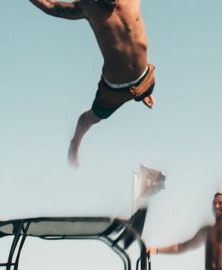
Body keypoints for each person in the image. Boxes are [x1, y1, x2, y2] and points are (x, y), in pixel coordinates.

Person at [28, 0, 155, 167]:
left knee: (147, 89)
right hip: (113, 91)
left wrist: (143, 91)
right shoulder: (88, 7)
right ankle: (75, 142)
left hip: (145, 78)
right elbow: (52, 7)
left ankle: (143, 93)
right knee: (90, 119)